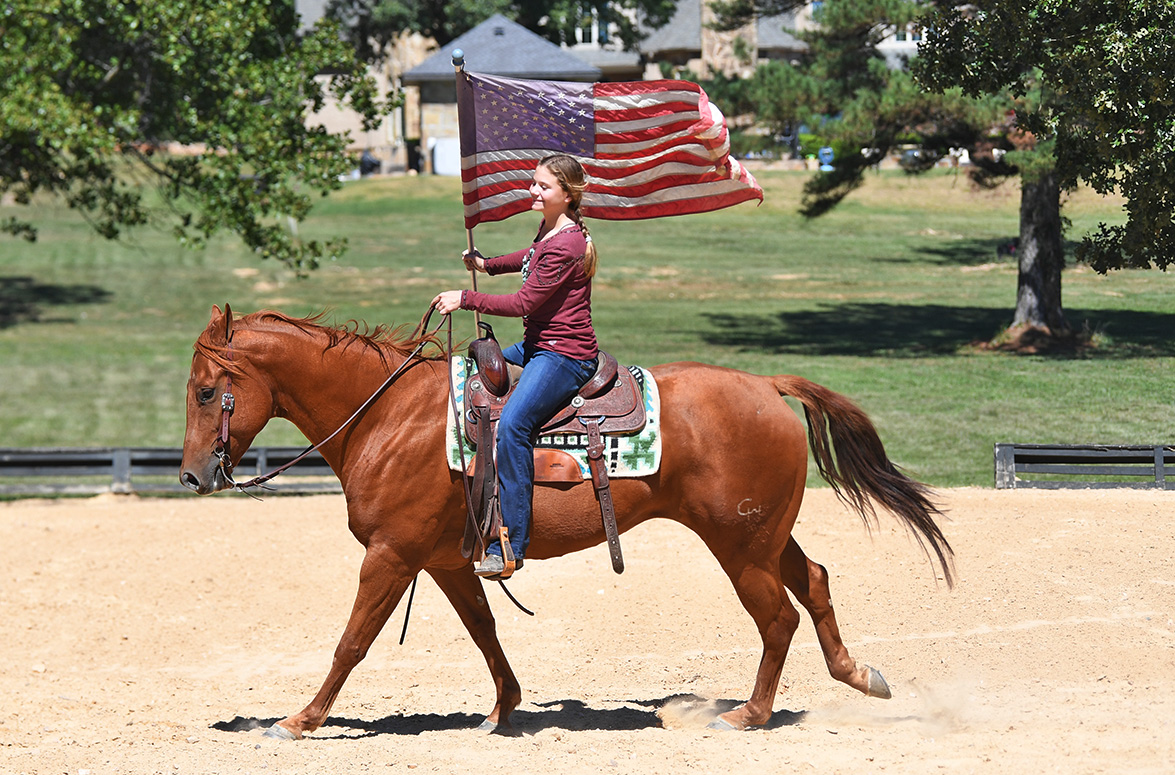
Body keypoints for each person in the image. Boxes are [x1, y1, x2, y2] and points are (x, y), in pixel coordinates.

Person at [432, 154, 599, 578]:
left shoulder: (568, 243)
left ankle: (512, 543)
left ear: (567, 194)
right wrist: (487, 266)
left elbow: (525, 302)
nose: (533, 191)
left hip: (564, 355)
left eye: (543, 186)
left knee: (514, 426)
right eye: (534, 183)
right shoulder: (552, 230)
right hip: (536, 344)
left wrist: (465, 297)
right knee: (470, 375)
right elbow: (530, 257)